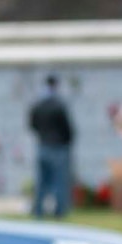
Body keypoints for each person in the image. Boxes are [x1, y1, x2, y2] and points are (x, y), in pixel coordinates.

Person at [28, 75, 74, 219]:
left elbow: (32, 124)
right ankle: (59, 210)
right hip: (58, 146)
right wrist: (66, 140)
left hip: (42, 145)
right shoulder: (58, 105)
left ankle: (38, 210)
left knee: (42, 181)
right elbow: (67, 128)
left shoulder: (38, 104)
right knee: (59, 180)